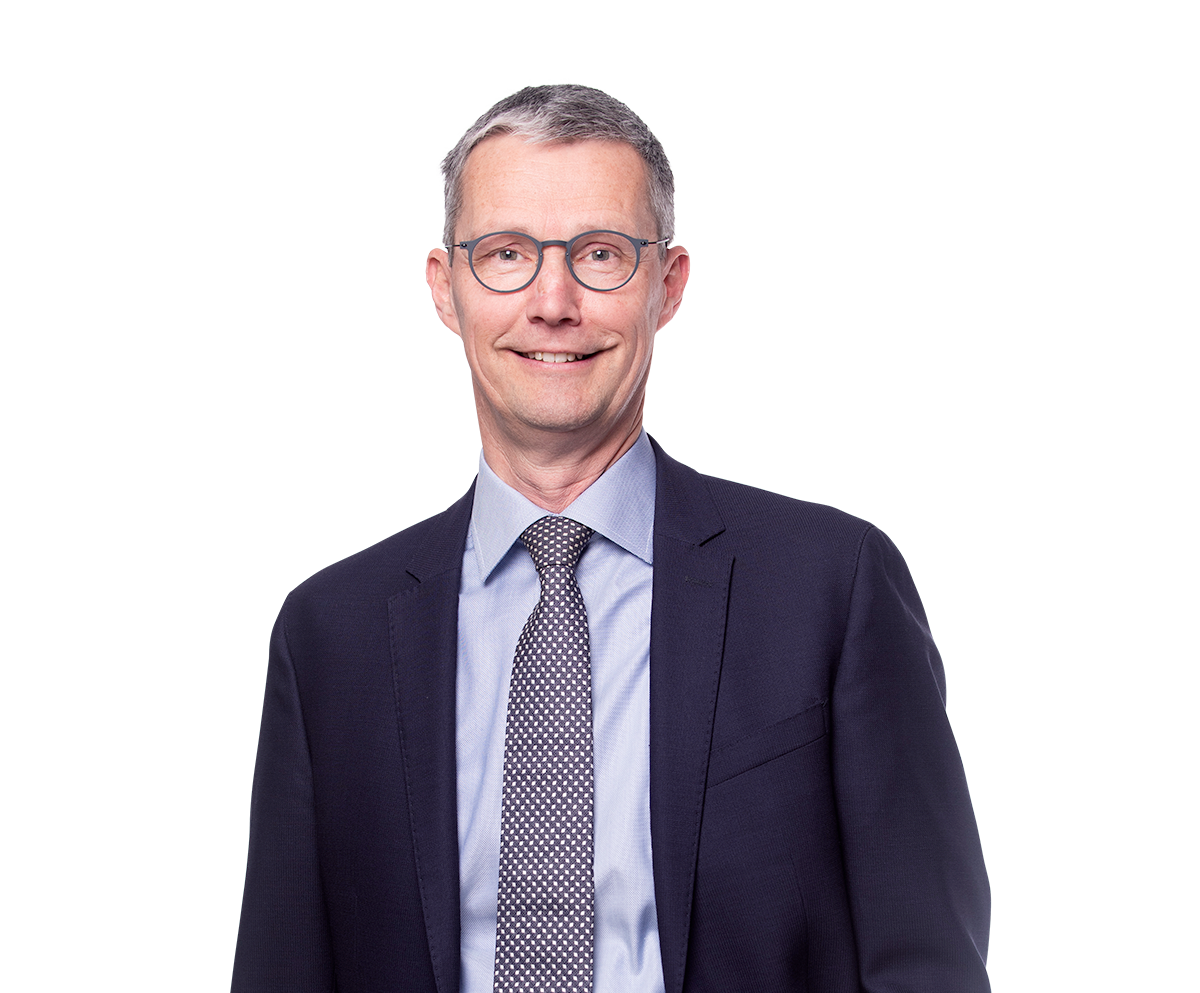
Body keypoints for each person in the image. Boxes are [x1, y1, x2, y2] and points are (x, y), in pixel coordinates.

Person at [232, 83, 990, 993]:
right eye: (506, 254)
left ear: (669, 286)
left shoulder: (833, 587)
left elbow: (928, 966)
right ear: (444, 287)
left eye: (600, 254)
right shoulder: (330, 636)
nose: (553, 302)